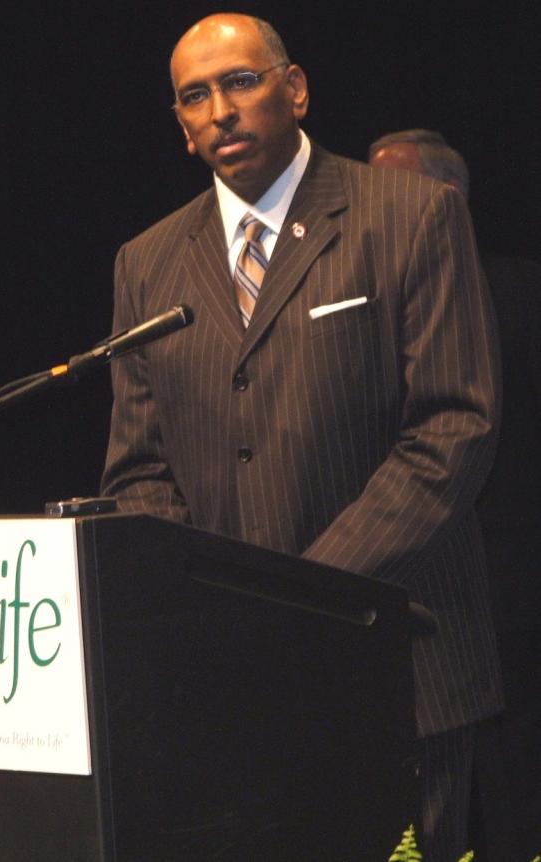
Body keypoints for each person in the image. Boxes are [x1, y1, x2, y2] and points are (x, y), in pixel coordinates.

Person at [101, 14, 503, 860]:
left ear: (295, 89)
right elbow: (140, 469)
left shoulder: (412, 215)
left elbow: (452, 430)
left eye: (240, 82)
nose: (221, 110)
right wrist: (213, 613)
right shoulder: (147, 261)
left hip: (398, 664)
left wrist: (296, 597)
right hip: (227, 684)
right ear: (180, 126)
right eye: (194, 96)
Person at [369, 128, 541, 861]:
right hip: (410, 577)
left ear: (446, 199)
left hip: (511, 579)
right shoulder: (367, 301)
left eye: (389, 189)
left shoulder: (521, 290)